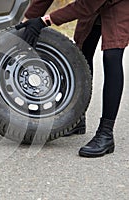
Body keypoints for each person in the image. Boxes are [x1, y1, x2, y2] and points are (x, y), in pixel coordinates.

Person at [16, 0, 129, 157]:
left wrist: (44, 21)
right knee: (82, 50)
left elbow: (86, 6)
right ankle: (77, 120)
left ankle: (106, 133)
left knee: (112, 55)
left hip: (119, 3)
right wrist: (29, 19)